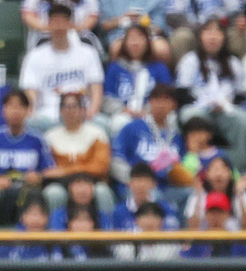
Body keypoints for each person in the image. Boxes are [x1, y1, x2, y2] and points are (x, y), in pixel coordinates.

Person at [19, 4, 104, 133]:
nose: (59, 26)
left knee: (105, 125)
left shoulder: (88, 52)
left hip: (83, 113)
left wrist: (93, 110)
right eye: (55, 22)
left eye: (63, 21)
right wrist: (32, 111)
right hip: (49, 114)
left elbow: (96, 87)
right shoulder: (35, 56)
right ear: (48, 24)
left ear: (70, 24)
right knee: (29, 123)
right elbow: (30, 91)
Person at [0, 90, 55, 227]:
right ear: (3, 110)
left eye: (20, 107)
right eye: (11, 106)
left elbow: (49, 169)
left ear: (28, 111)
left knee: (34, 196)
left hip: (27, 188)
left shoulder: (37, 139)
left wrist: (39, 176)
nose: (15, 111)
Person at [177, 19, 246, 169]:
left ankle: (236, 169)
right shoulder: (190, 60)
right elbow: (181, 94)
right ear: (200, 37)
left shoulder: (233, 62)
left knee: (243, 120)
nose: (213, 37)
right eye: (208, 32)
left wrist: (226, 104)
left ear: (224, 37)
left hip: (225, 110)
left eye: (217, 32)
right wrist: (206, 103)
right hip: (199, 108)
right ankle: (197, 168)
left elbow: (240, 95)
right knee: (189, 116)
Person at [42, 92, 115, 214]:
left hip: (92, 181)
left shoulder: (97, 133)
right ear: (60, 111)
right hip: (62, 183)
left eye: (74, 106)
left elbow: (101, 167)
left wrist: (67, 170)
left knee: (102, 192)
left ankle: (108, 230)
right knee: (53, 193)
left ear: (83, 110)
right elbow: (48, 171)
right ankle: (54, 231)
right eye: (66, 106)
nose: (70, 111)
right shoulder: (50, 136)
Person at [112, 82, 188, 190]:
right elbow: (117, 160)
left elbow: (181, 166)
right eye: (157, 99)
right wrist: (137, 181)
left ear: (174, 105)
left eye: (166, 100)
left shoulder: (176, 136)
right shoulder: (132, 128)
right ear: (150, 102)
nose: (161, 104)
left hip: (167, 188)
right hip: (134, 187)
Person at [102, 24, 173, 136]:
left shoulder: (159, 68)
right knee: (118, 123)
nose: (135, 43)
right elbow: (107, 97)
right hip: (122, 113)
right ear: (124, 42)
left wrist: (148, 111)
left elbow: (167, 96)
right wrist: (125, 110)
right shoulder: (115, 68)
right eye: (131, 38)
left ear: (147, 42)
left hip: (153, 114)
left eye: (140, 38)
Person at [113, 160, 182, 228]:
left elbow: (172, 231)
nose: (141, 185)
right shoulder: (119, 211)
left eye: (145, 181)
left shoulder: (166, 208)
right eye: (137, 181)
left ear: (153, 184)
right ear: (129, 184)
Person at [0, 193, 58, 259]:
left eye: (41, 214)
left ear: (47, 218)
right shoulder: (9, 241)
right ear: (22, 216)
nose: (36, 220)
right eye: (32, 214)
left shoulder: (53, 241)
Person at [181, 189, 246, 254]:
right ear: (206, 215)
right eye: (212, 212)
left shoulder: (235, 240)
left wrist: (240, 197)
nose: (216, 216)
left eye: (220, 212)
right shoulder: (199, 241)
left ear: (227, 214)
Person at [114, 199, 183, 258]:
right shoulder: (127, 239)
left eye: (154, 216)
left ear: (161, 221)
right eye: (145, 216)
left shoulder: (171, 241)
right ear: (136, 220)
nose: (149, 221)